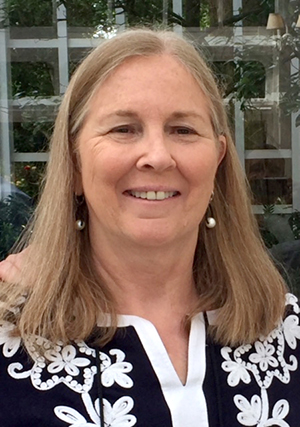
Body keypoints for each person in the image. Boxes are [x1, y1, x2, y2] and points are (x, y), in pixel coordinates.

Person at [0, 28, 298, 427]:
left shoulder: (282, 330)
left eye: (183, 130)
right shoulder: (11, 337)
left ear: (219, 160)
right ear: (74, 164)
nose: (157, 156)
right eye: (123, 129)